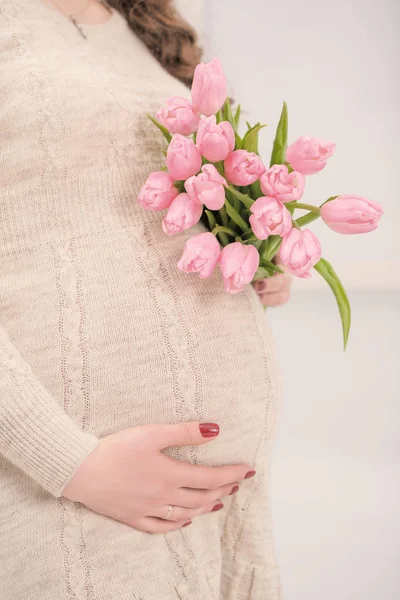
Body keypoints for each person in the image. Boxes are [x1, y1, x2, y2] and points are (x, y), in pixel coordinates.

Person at [0, 1, 292, 598]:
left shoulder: (145, 25)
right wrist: (69, 462)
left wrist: (252, 253)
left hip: (219, 510)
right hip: (72, 498)